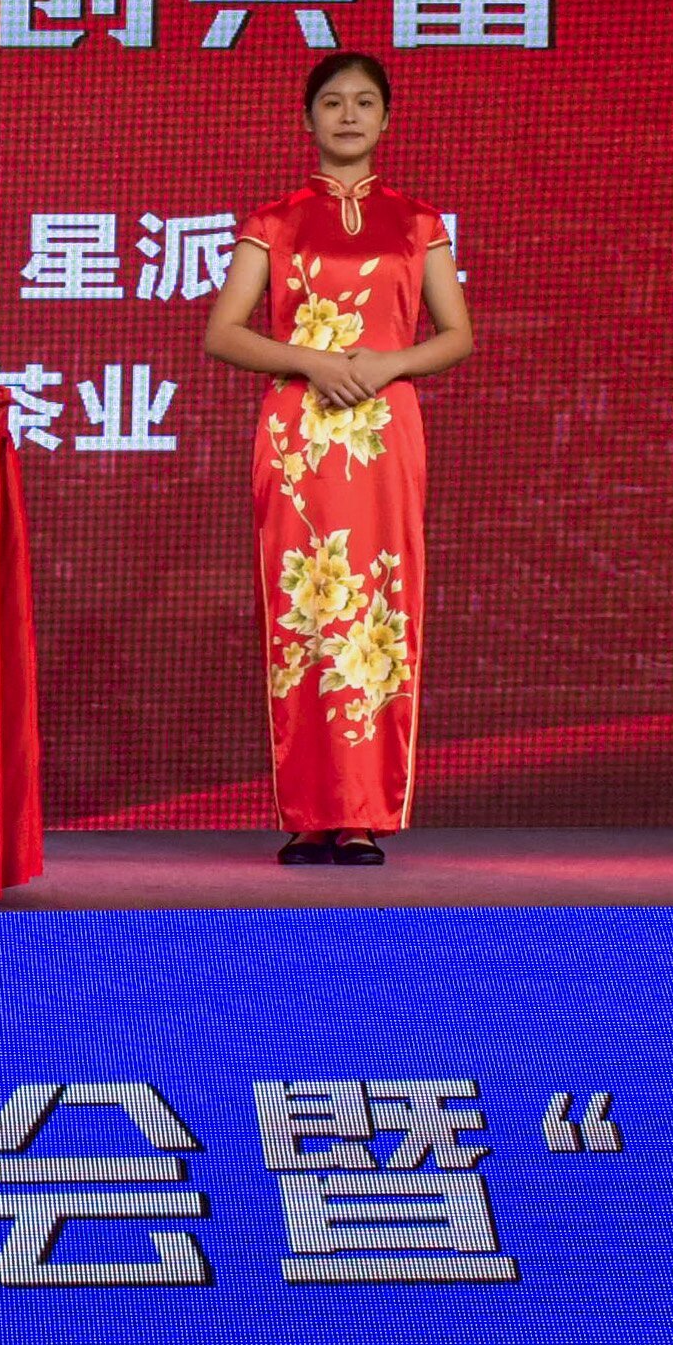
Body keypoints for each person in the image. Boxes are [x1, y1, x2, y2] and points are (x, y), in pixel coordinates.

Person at [197, 50, 474, 865]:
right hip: (300, 436)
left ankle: (362, 813)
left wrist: (387, 365)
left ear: (386, 119)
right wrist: (312, 363)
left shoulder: (418, 223)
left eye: (364, 102)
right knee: (305, 612)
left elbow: (456, 335)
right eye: (331, 102)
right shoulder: (274, 222)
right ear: (308, 118)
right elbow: (223, 333)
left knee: (379, 609)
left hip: (382, 430)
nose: (348, 115)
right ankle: (309, 813)